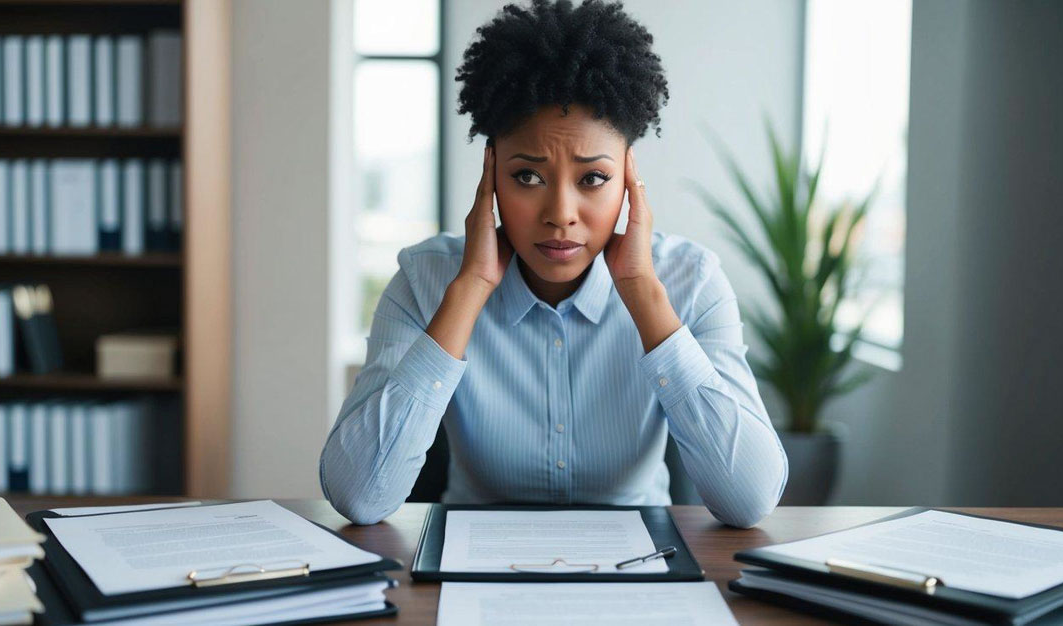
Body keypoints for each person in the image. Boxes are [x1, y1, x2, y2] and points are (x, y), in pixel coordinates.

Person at [320, 0, 787, 528]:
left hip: (640, 568)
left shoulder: (692, 281)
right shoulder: (425, 280)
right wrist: (470, 289)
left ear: (629, 177)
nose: (561, 215)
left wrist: (643, 293)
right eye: (527, 177)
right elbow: (357, 496)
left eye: (592, 179)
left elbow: (751, 501)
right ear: (490, 173)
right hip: (471, 567)